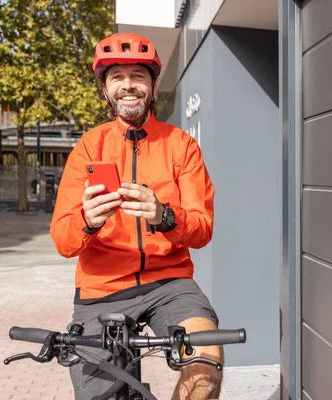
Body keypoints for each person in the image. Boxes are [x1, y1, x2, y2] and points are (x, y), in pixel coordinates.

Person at [49, 33, 220, 400]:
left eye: (138, 76)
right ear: (105, 90)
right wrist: (88, 221)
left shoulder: (181, 145)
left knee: (206, 360)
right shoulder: (88, 147)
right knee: (102, 394)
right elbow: (63, 240)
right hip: (102, 288)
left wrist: (165, 216)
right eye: (117, 77)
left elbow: (203, 229)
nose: (128, 85)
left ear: (153, 85)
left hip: (169, 283)